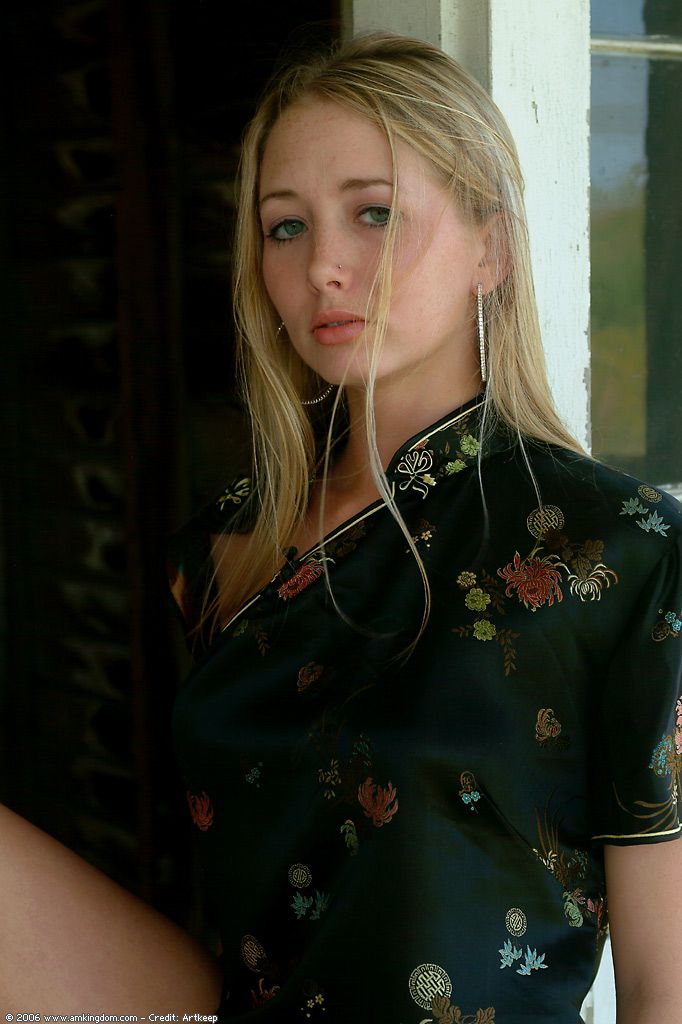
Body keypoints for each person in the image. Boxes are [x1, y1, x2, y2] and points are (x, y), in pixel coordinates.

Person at [0, 29, 680, 1024]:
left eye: (375, 213)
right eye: (285, 227)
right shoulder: (224, 551)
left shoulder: (617, 547)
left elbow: (668, 988)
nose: (322, 265)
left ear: (490, 248)